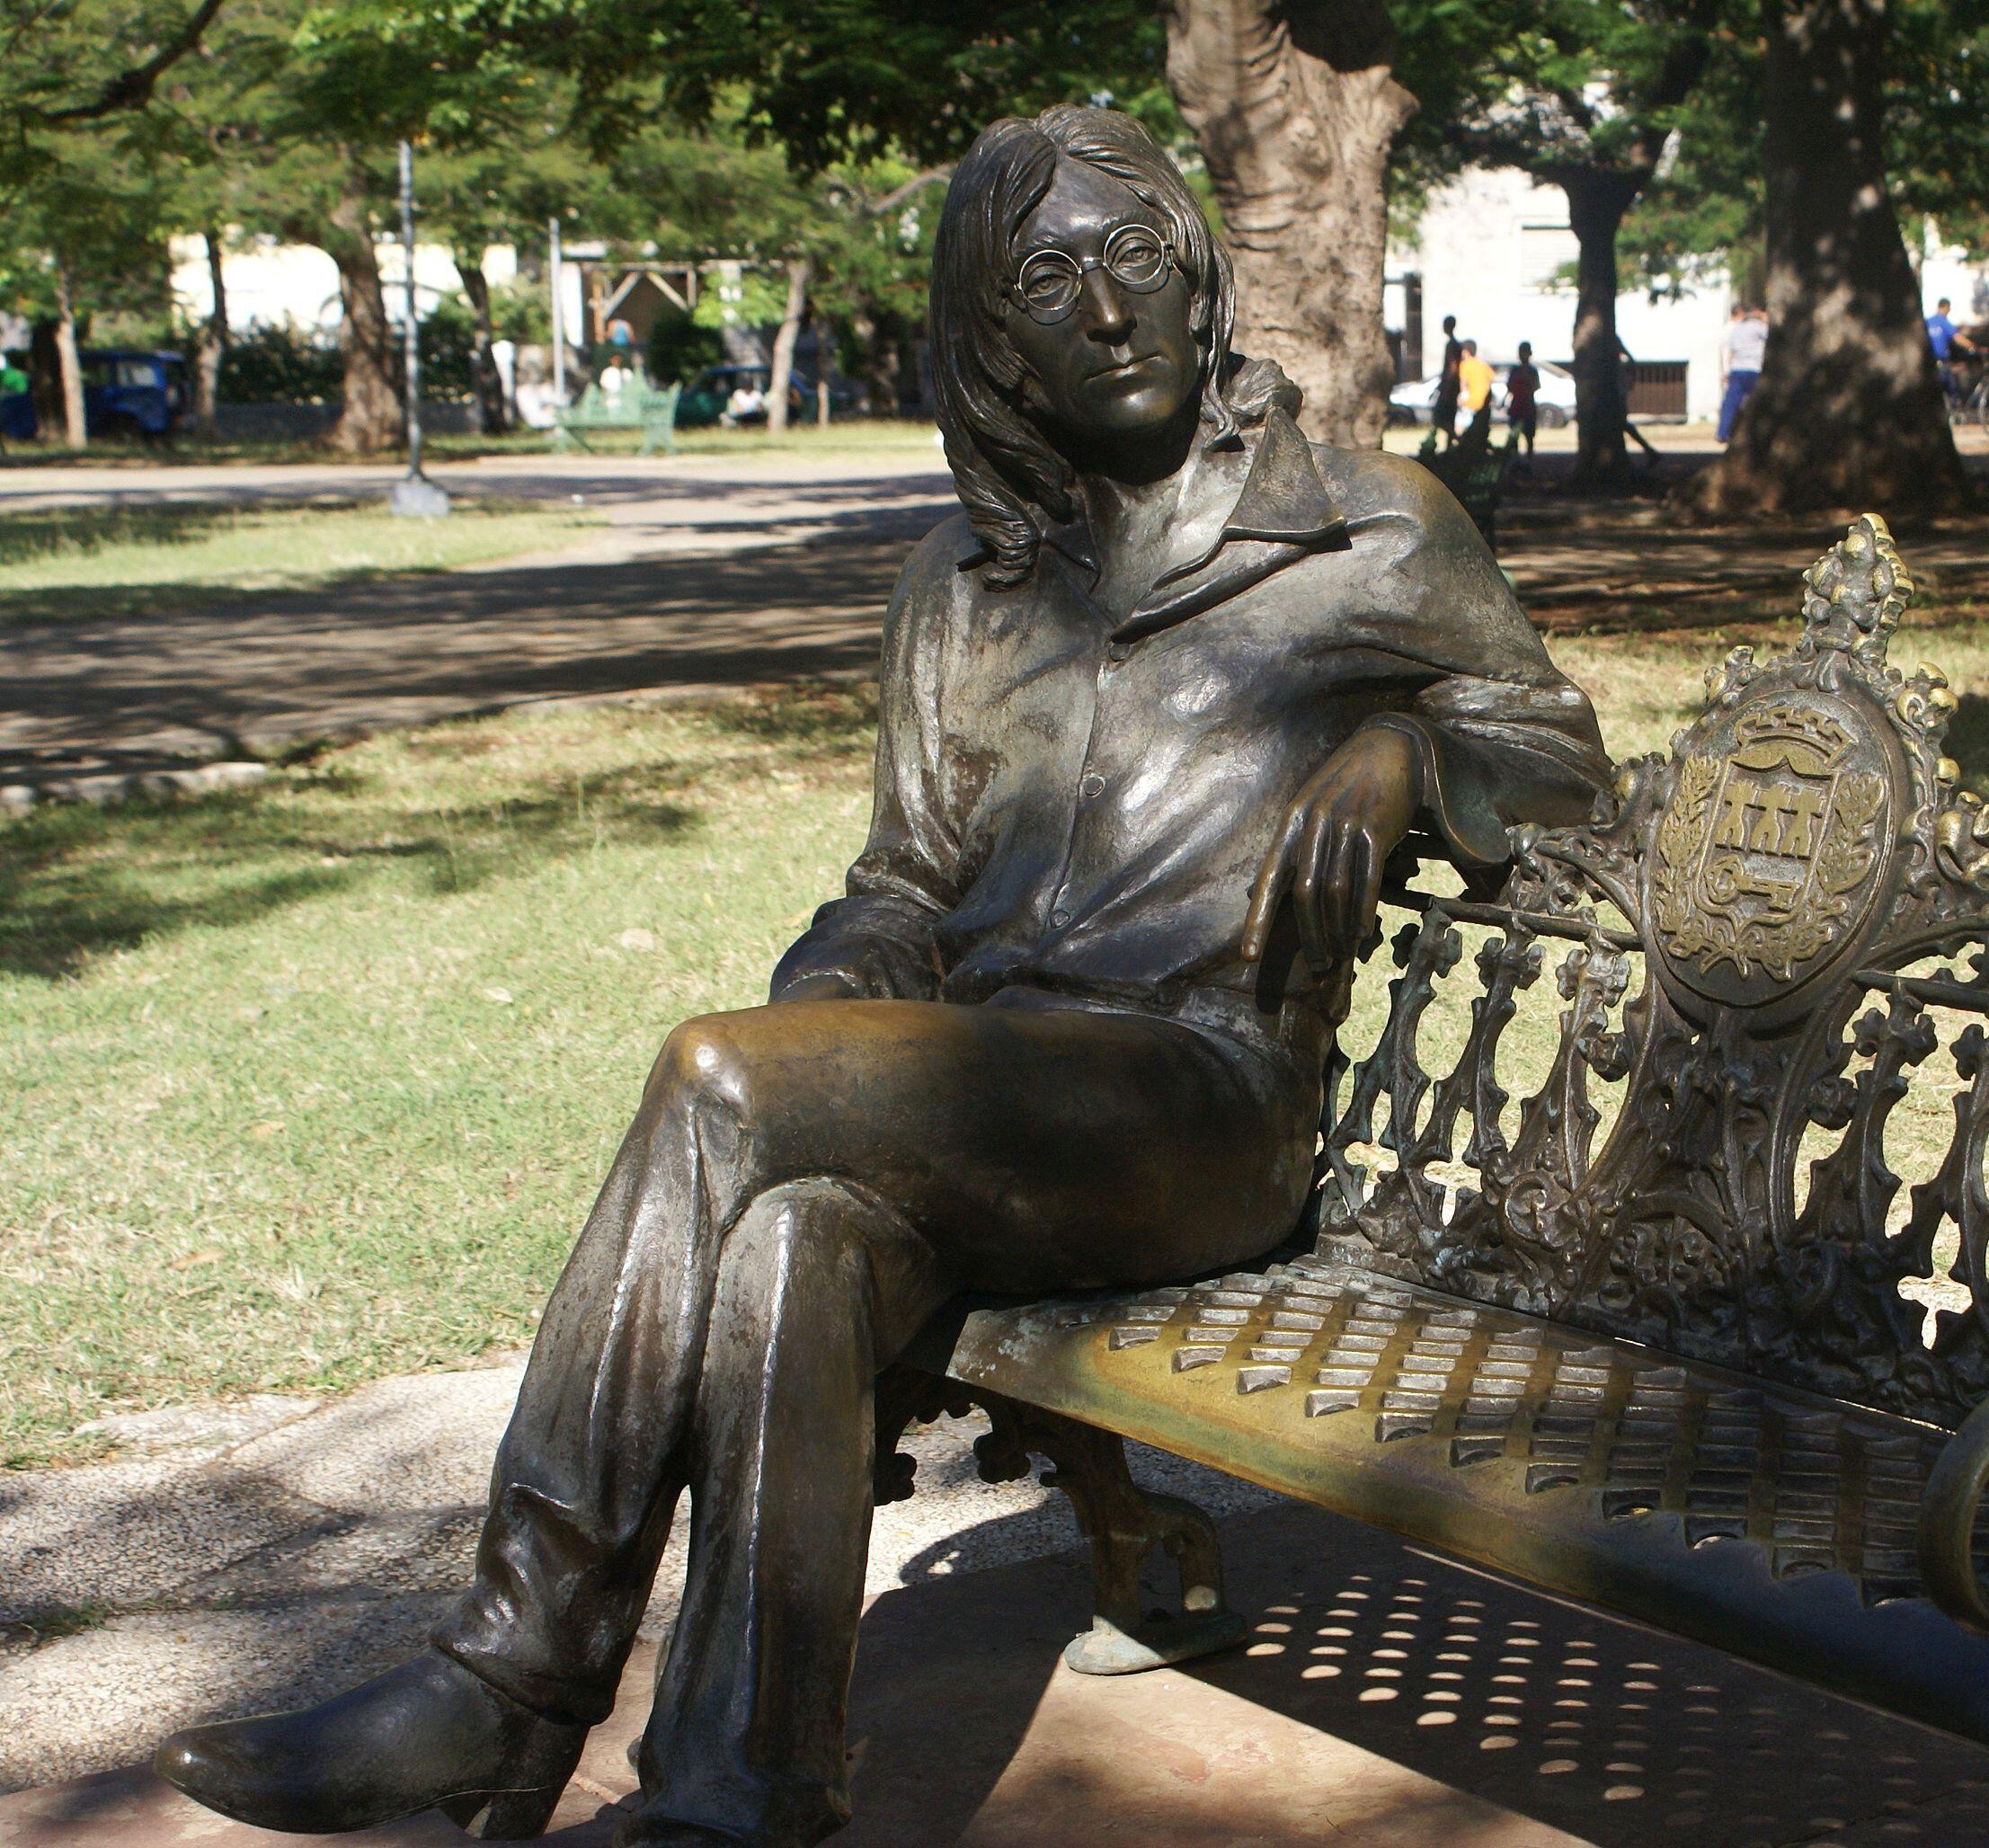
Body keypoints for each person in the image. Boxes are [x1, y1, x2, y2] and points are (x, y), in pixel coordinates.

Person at [148, 103, 1610, 1848]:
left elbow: (1567, 770)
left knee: (721, 1079)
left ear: (1200, 275)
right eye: (1050, 275)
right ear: (992, 337)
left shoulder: (1369, 530)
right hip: (982, 1096)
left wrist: (1407, 760)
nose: (1110, 308)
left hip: (1200, 1097)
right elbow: (900, 886)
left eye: (1135, 253)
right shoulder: (964, 587)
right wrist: (840, 1007)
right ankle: (735, 1794)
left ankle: (509, 1673)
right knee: (792, 1241)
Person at [1717, 305, 1767, 445]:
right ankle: (1755, 432)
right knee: (1756, 402)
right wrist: (1764, 320)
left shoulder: (1736, 329)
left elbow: (1730, 350)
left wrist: (1726, 371)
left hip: (1737, 368)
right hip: (1754, 369)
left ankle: (1723, 432)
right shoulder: (1758, 327)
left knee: (1731, 403)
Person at [1505, 342, 1541, 455]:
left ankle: (1528, 460)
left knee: (1529, 437)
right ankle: (1516, 461)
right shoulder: (1515, 370)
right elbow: (1510, 387)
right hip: (1518, 406)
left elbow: (1536, 386)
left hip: (1527, 406)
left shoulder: (1531, 370)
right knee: (1515, 437)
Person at [1431, 313, 1462, 437]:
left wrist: (1446, 385)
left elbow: (1452, 366)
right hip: (1451, 386)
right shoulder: (1454, 344)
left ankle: (1456, 439)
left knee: (1440, 418)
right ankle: (1452, 443)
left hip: (1450, 387)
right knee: (1448, 418)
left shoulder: (1452, 345)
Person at [1456, 338, 1494, 427]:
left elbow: (1464, 384)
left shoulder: (1465, 364)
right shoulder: (1483, 365)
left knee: (1459, 427)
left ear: (1465, 351)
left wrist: (1461, 398)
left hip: (1469, 402)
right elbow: (1491, 379)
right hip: (1482, 402)